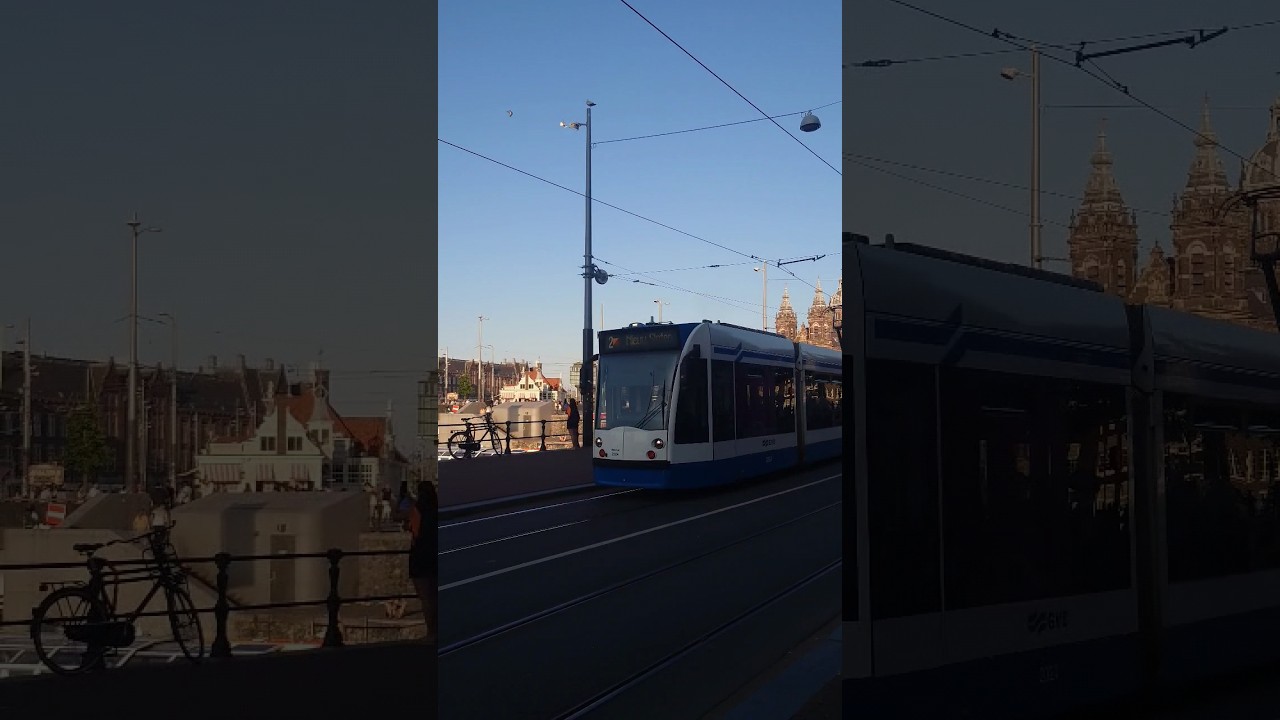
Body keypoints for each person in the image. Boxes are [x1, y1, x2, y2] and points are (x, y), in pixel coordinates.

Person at [406, 481, 437, 643]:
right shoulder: (436, 509)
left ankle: (431, 632)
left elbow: (414, 530)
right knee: (434, 595)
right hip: (434, 554)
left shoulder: (417, 509)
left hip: (420, 555)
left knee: (425, 597)